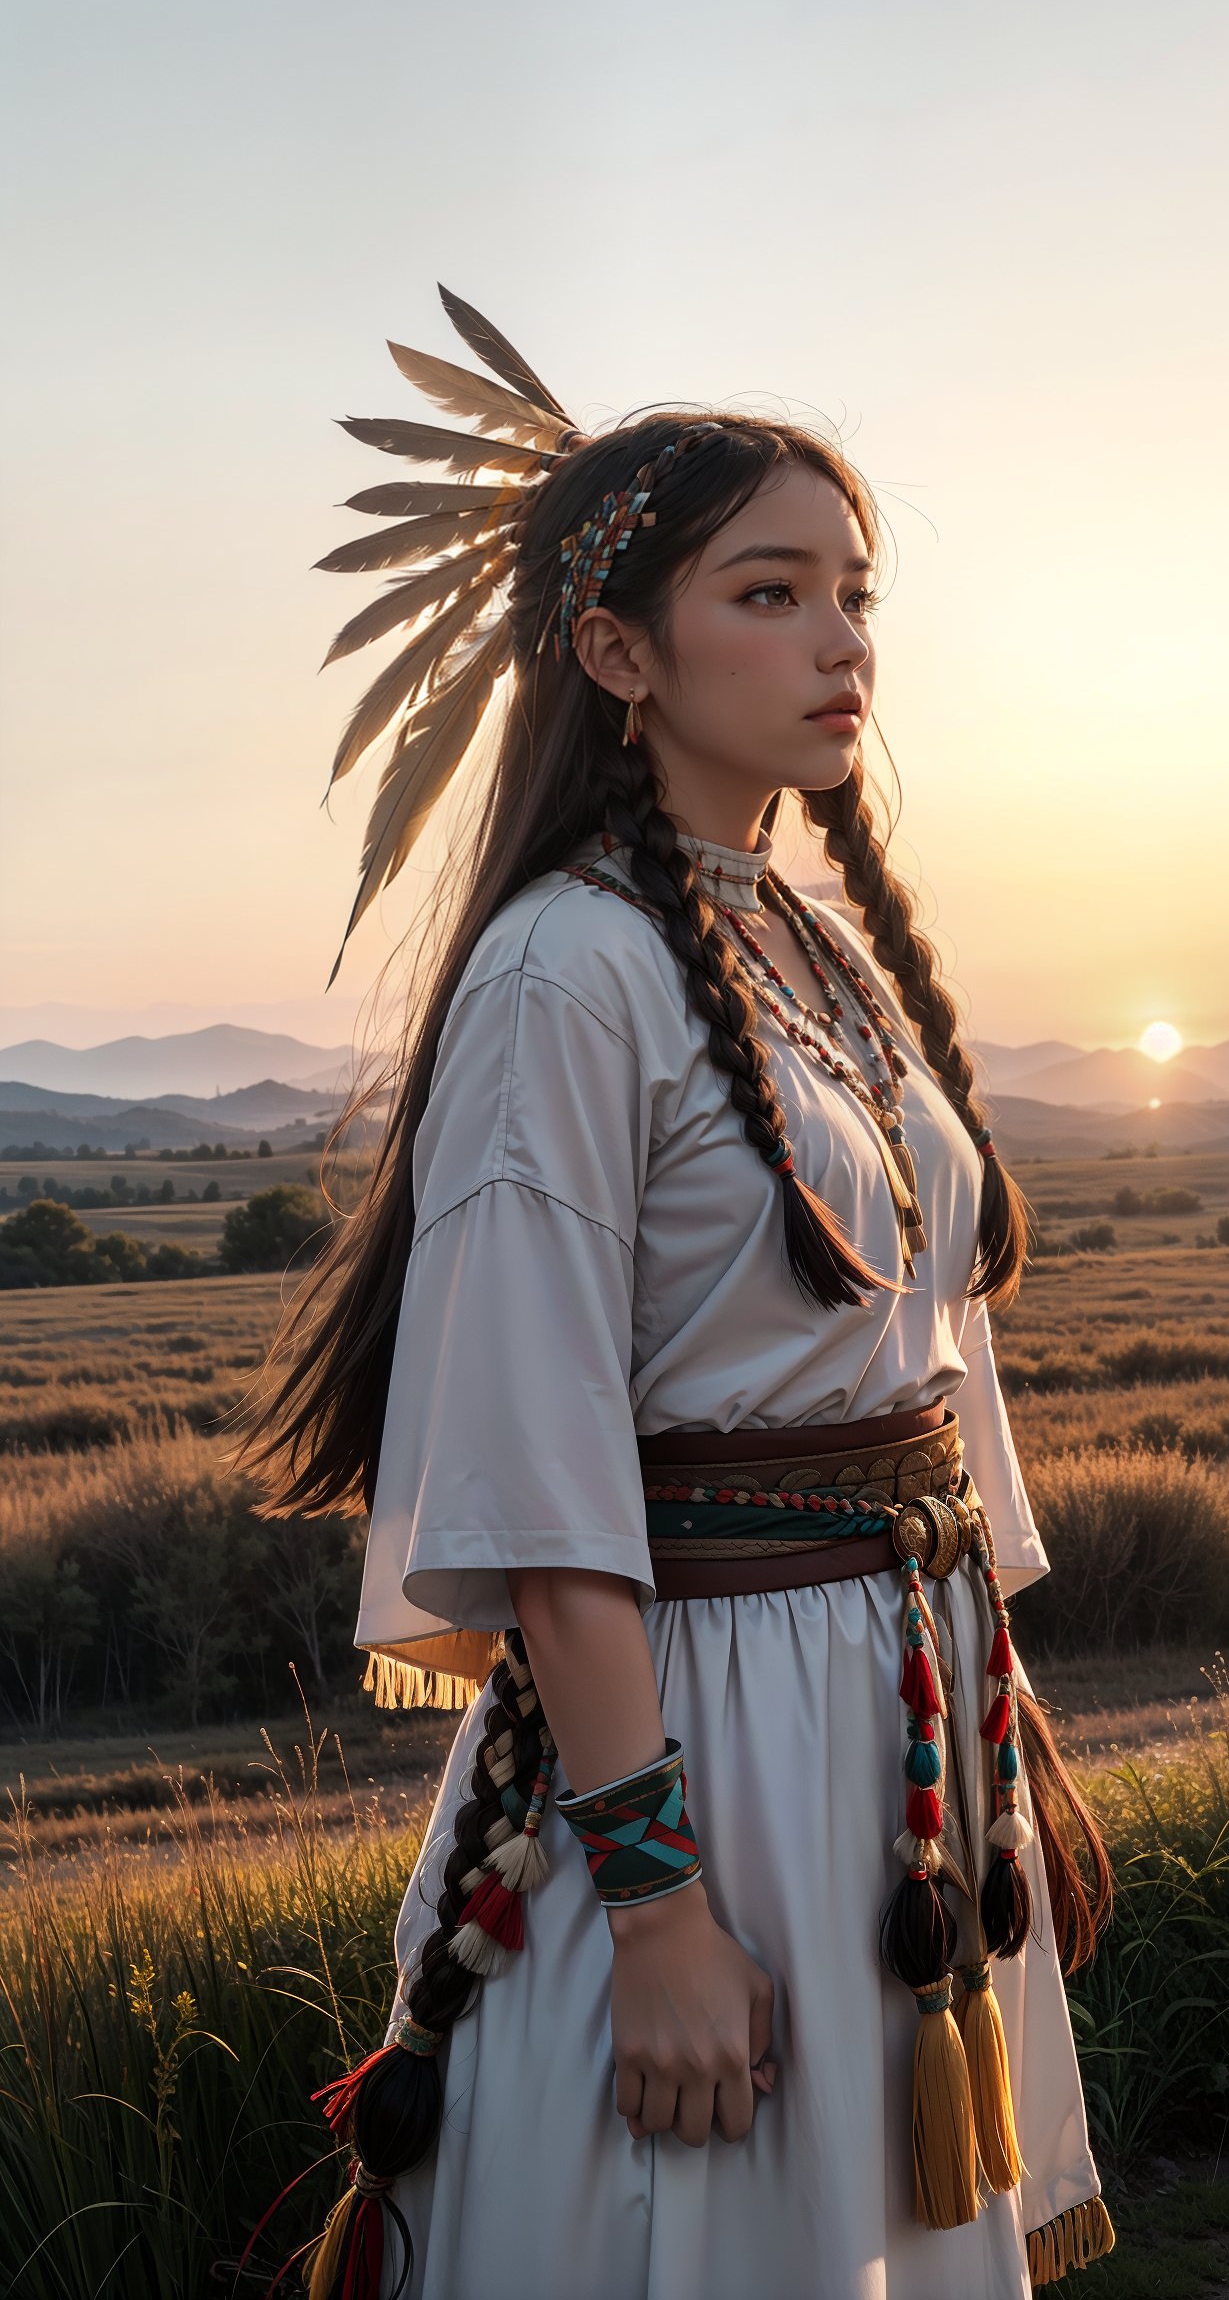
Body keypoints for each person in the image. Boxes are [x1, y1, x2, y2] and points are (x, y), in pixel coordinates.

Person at [239, 287, 1115, 2300]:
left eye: (856, 595)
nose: (845, 644)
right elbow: (549, 1473)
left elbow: (915, 1367)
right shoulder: (566, 972)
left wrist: (991, 1710)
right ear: (619, 653)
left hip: (884, 1732)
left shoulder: (815, 951)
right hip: (699, 1755)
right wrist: (653, 1908)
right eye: (774, 592)